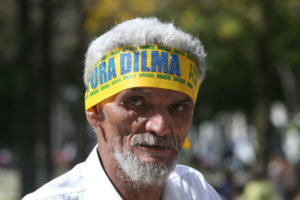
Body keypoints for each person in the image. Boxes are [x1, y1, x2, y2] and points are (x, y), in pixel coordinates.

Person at [23, 17, 221, 200]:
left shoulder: (197, 192)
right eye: (136, 102)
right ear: (94, 109)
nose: (160, 127)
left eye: (178, 107)